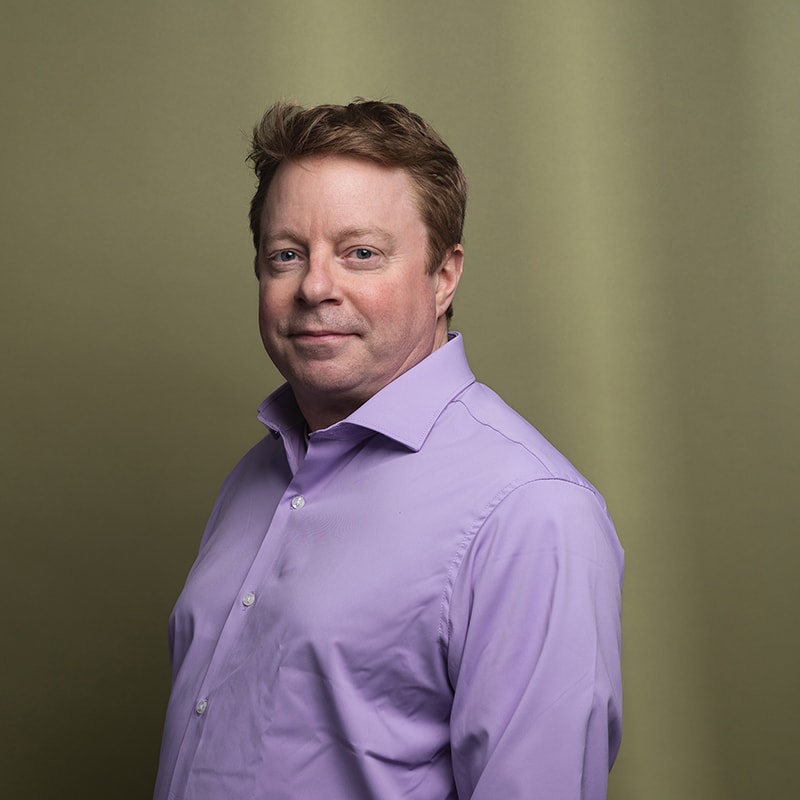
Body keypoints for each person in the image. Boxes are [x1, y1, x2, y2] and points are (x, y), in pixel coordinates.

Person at [154, 99, 624, 800]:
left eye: (360, 253)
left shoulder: (530, 516)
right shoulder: (258, 476)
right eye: (286, 254)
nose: (315, 287)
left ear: (444, 275)